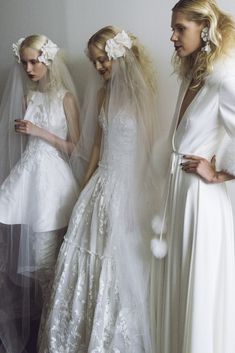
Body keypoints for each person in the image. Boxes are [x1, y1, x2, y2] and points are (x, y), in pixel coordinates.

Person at [38, 25, 159, 353]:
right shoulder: (103, 94)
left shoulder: (140, 94)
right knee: (83, 257)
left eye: (104, 59)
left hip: (128, 186)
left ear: (121, 55)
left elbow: (146, 150)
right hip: (101, 183)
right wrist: (84, 184)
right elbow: (95, 146)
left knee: (118, 262)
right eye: (94, 62)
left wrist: (139, 196)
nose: (99, 67)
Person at [151, 1, 235, 352]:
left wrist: (218, 173)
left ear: (205, 27)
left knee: (197, 288)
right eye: (173, 28)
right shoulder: (194, 74)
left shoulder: (223, 77)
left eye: (179, 28)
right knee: (178, 284)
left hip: (200, 201)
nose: (172, 36)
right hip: (179, 193)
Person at [0, 34, 80, 353]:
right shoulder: (27, 97)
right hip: (27, 178)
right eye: (24, 63)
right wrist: (26, 132)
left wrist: (39, 132)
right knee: (26, 255)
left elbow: (76, 148)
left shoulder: (66, 98)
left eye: (34, 61)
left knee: (48, 264)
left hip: (52, 182)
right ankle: (40, 333)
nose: (29, 69)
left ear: (48, 60)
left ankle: (54, 335)